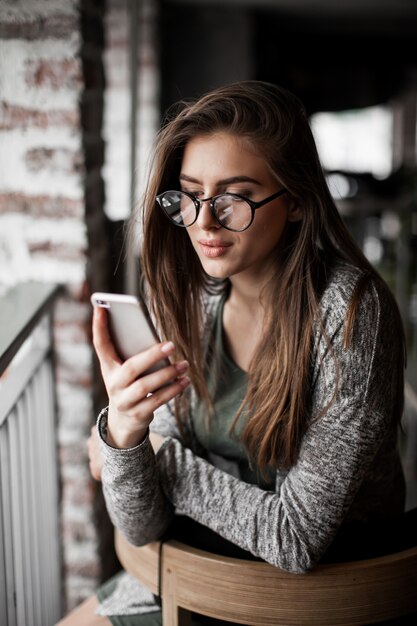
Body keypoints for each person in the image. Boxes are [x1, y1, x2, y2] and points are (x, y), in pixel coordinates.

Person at [57, 80, 407, 625]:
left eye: (233, 197)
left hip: (325, 597)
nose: (204, 222)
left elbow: (295, 538)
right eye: (190, 195)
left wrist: (158, 457)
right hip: (206, 568)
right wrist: (125, 432)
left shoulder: (352, 313)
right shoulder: (191, 297)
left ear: (294, 201)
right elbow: (143, 526)